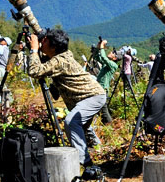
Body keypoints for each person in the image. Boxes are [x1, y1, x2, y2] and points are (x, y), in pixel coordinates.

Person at [27, 29, 106, 166]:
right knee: (82, 127)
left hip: (92, 96)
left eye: (45, 41)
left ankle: (84, 162)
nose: (41, 42)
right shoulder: (61, 57)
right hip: (90, 97)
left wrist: (34, 50)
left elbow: (35, 71)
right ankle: (95, 149)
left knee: (71, 122)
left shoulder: (60, 61)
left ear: (54, 47)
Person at [94, 39, 118, 124]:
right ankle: (106, 124)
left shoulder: (113, 65)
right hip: (99, 88)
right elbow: (96, 57)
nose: (110, 52)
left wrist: (102, 47)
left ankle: (109, 125)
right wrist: (98, 47)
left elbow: (104, 57)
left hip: (103, 89)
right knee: (100, 109)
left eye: (112, 53)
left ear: (115, 58)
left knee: (103, 110)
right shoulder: (107, 64)